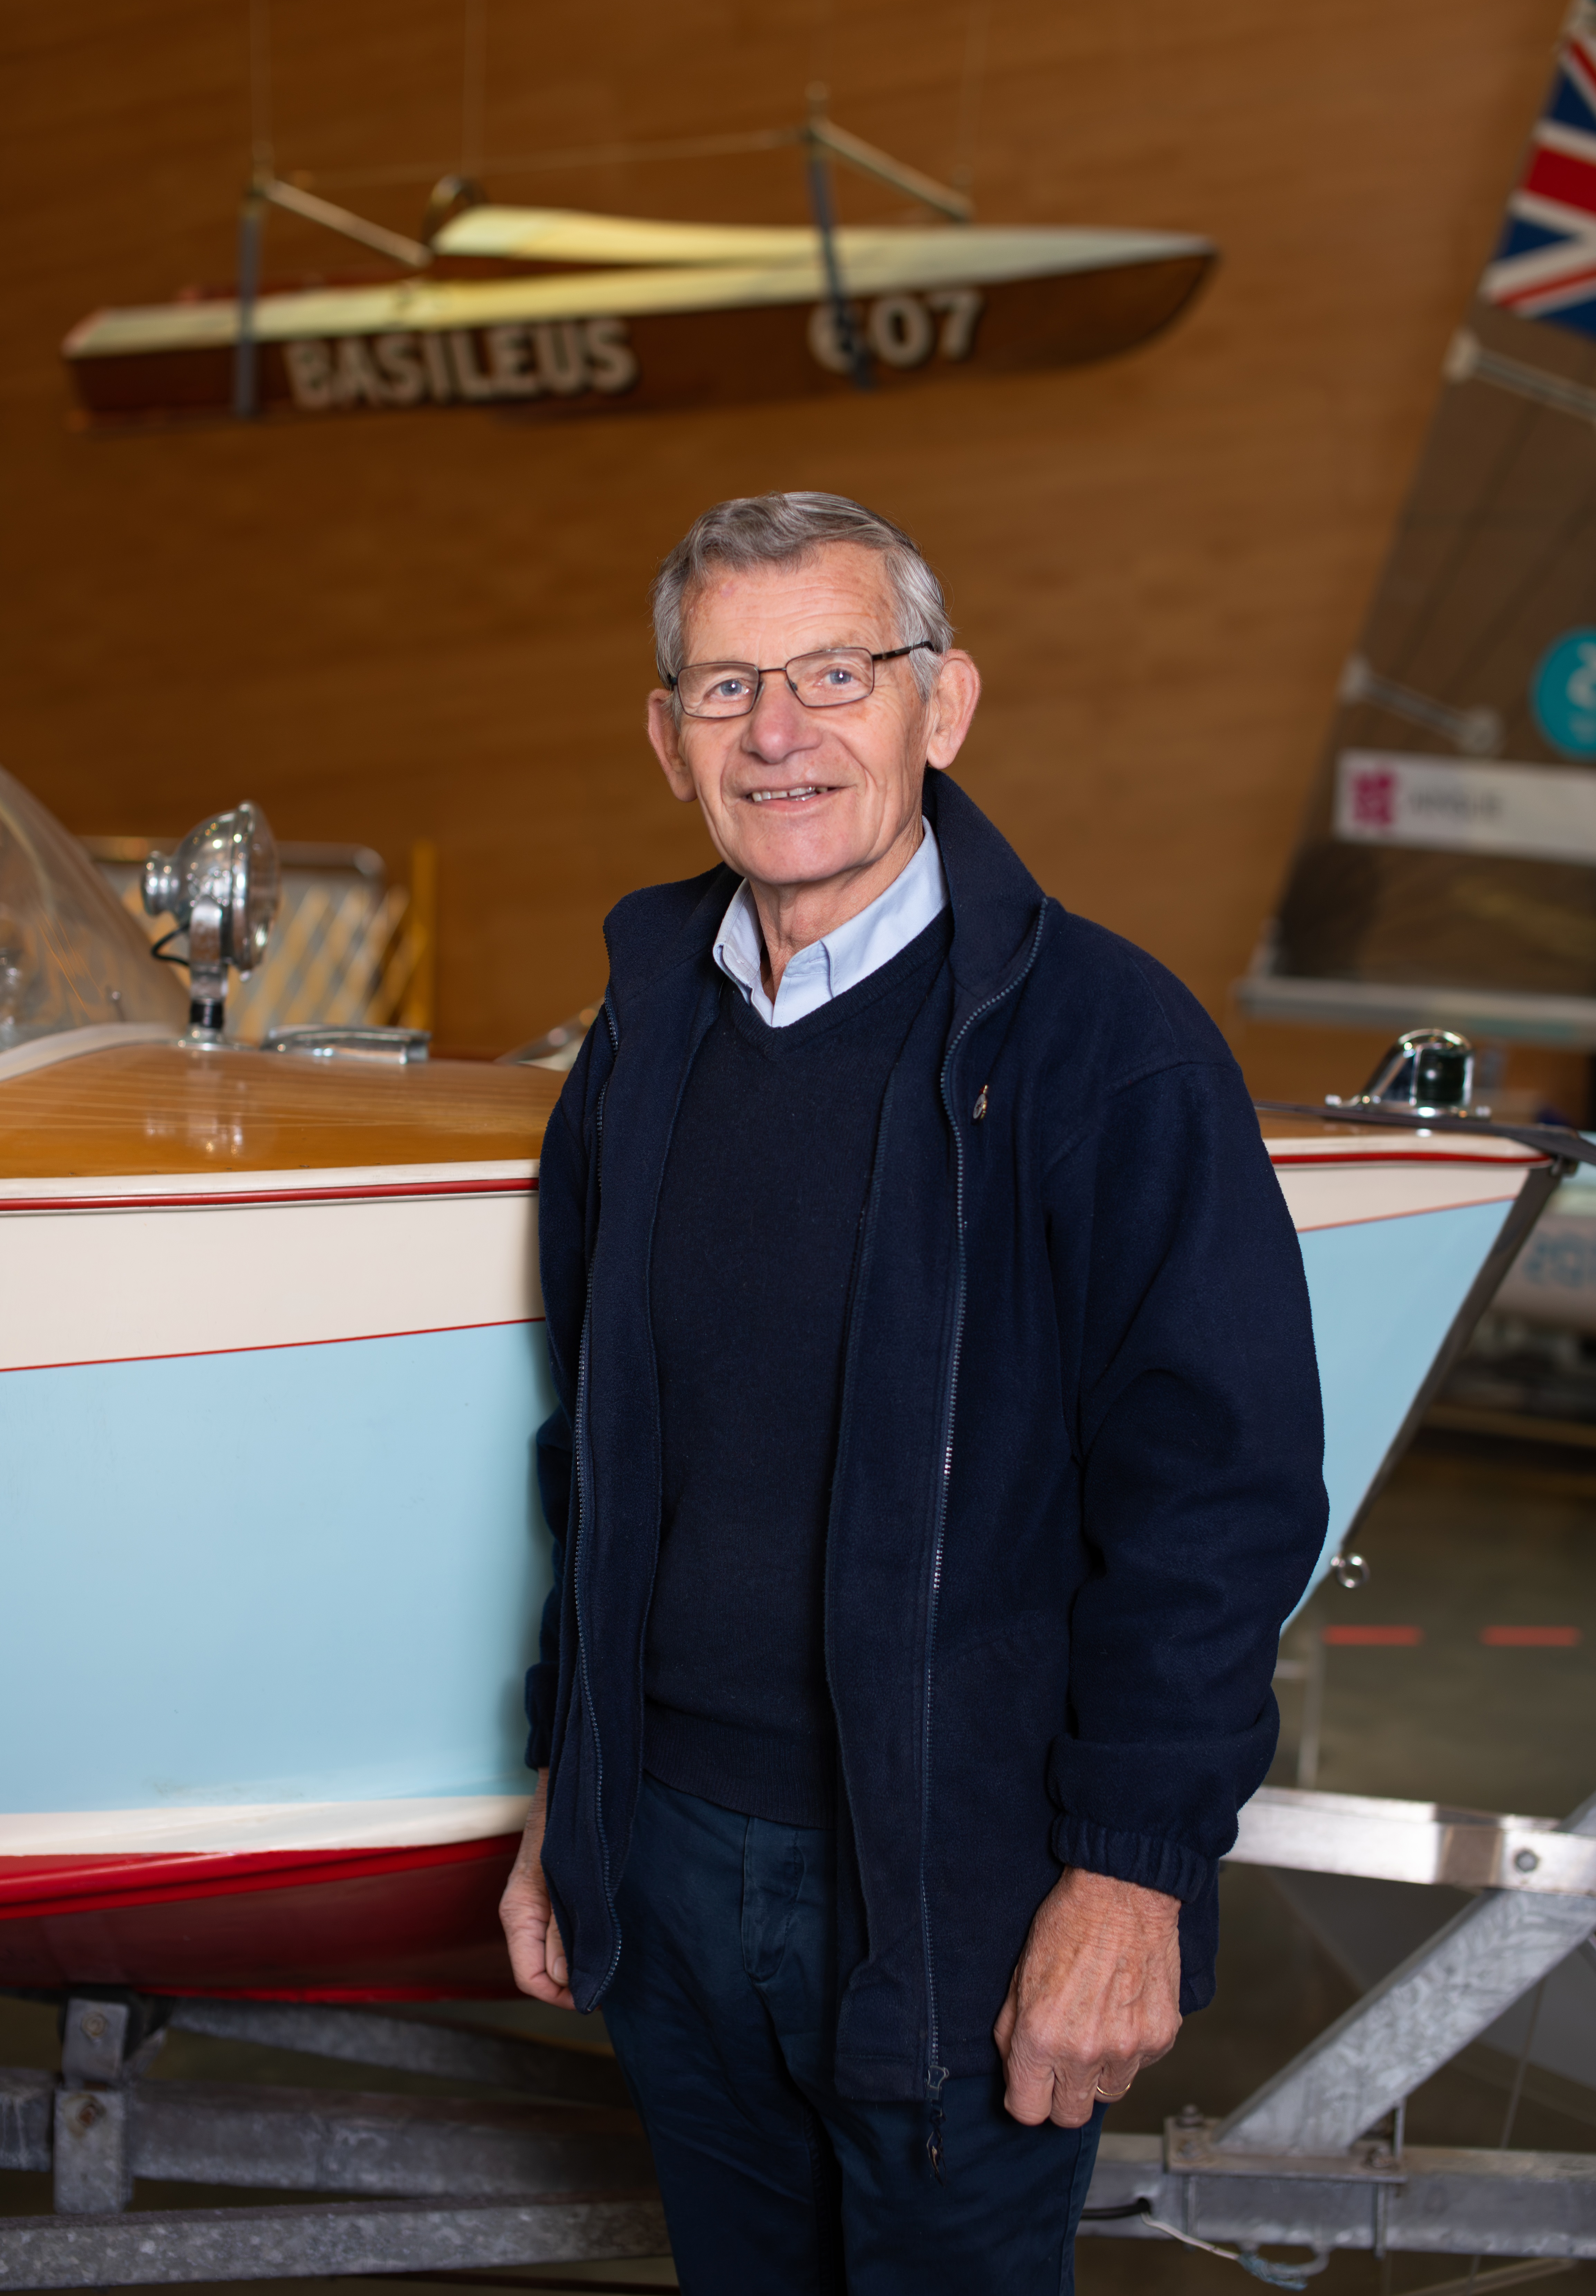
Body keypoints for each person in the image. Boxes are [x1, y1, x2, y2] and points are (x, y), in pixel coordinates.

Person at [501, 491, 1327, 2294]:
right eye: (725, 688)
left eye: (831, 671)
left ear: (939, 705)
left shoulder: (1105, 1046)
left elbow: (1217, 1493)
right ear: (666, 742)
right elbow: (598, 1456)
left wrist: (1127, 1876)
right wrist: (572, 1788)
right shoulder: (636, 1041)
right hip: (670, 1866)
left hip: (956, 1888)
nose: (778, 731)